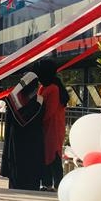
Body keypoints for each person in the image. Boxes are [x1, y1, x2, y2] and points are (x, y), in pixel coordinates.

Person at [0, 69, 46, 191]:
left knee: (17, 169)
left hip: (16, 140)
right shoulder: (39, 101)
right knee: (31, 170)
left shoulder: (12, 100)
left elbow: (9, 122)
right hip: (33, 141)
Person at [37, 59, 70, 191]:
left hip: (53, 127)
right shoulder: (44, 87)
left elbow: (50, 111)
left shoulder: (54, 89)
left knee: (54, 155)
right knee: (45, 155)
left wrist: (37, 120)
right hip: (45, 127)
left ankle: (58, 184)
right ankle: (47, 183)